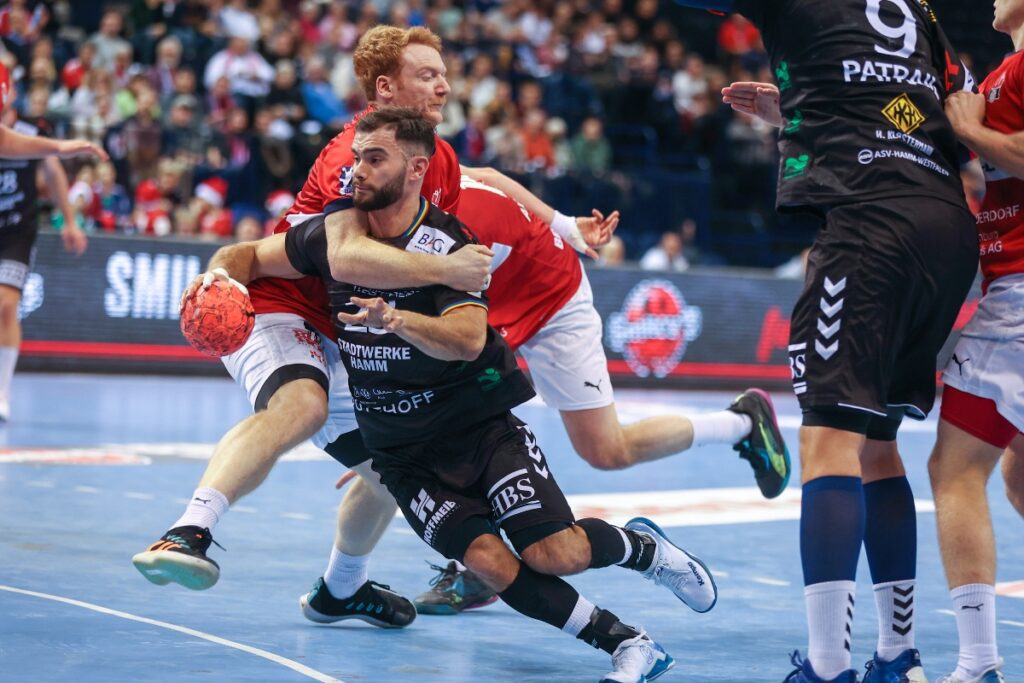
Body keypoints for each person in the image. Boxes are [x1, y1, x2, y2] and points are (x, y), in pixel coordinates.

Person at [131, 25, 609, 619]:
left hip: (351, 331)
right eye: (427, 75)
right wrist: (446, 269)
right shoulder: (354, 157)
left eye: (444, 73)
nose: (444, 85)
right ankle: (188, 531)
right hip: (283, 306)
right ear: (386, 88)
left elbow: (485, 178)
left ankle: (340, 590)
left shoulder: (435, 157)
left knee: (395, 471)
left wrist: (561, 224)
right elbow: (345, 257)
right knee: (302, 406)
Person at [250, 106, 720, 682]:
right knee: (490, 564)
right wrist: (218, 275)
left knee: (556, 553)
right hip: (402, 454)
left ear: (416, 169)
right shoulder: (334, 235)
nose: (357, 172)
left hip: (477, 427)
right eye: (355, 159)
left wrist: (394, 319)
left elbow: (469, 339)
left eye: (374, 159)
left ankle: (642, 549)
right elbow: (251, 255)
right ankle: (629, 644)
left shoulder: (452, 243)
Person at [674, 1, 979, 681]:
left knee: (828, 441)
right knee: (876, 443)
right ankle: (896, 654)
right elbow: (935, 113)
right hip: (945, 227)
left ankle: (827, 665)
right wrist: (807, 105)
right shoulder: (918, 9)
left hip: (870, 223)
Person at [325, 171, 789, 615]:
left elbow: (485, 190)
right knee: (437, 435)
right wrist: (564, 223)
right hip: (490, 300)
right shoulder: (403, 191)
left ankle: (740, 422)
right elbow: (489, 174)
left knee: (606, 450)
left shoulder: (442, 219)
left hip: (551, 298)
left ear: (412, 170)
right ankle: (438, 573)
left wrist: (394, 435)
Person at [927, 1, 1024, 679]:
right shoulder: (998, 75)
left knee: (954, 470)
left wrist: (969, 128)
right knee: (1020, 476)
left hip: (1020, 294)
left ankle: (978, 662)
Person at [0, 81, 89, 422]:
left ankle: (2, 392)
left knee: (6, 305)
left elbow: (52, 170)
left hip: (16, 231)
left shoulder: (31, 130)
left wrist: (70, 221)